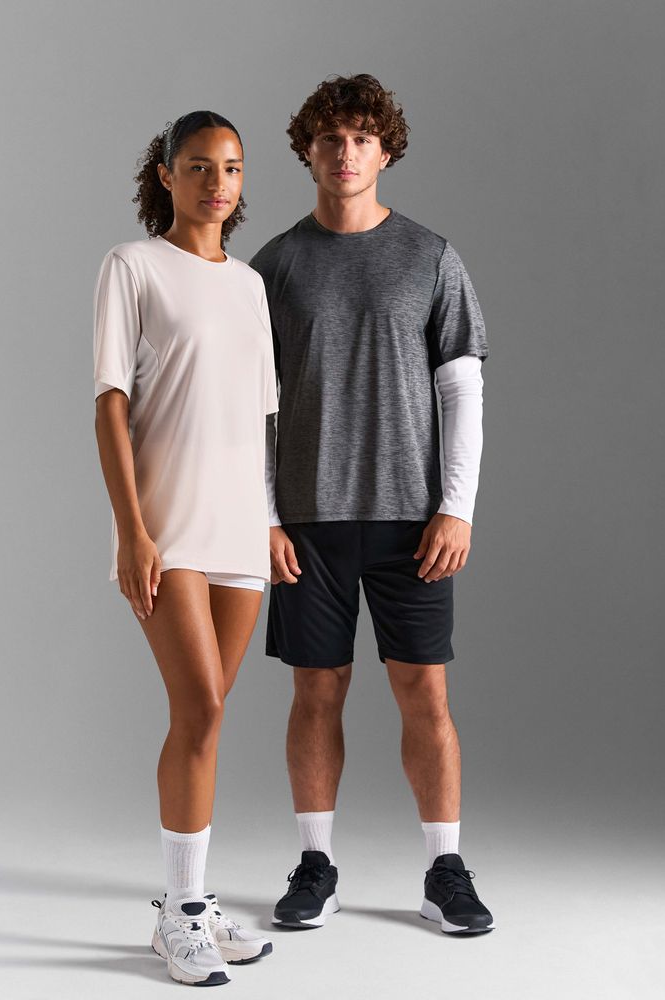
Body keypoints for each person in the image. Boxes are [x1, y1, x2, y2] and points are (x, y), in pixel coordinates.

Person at [251, 74, 495, 935]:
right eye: (330, 137)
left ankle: (444, 870)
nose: (345, 152)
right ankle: (315, 866)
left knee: (425, 693)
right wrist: (263, 517)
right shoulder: (275, 265)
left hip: (412, 522)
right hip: (306, 521)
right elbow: (251, 405)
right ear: (307, 151)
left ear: (385, 150)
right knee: (316, 693)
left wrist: (457, 505)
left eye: (361, 137)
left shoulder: (431, 257)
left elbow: (462, 389)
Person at [93, 111, 276, 986]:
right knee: (199, 705)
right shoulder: (131, 267)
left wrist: (270, 519)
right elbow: (110, 404)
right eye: (199, 166)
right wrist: (132, 529)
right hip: (168, 525)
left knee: (206, 717)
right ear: (166, 175)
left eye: (231, 168)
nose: (217, 182)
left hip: (241, 526)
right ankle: (180, 913)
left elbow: (258, 419)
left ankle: (189, 906)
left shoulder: (250, 286)